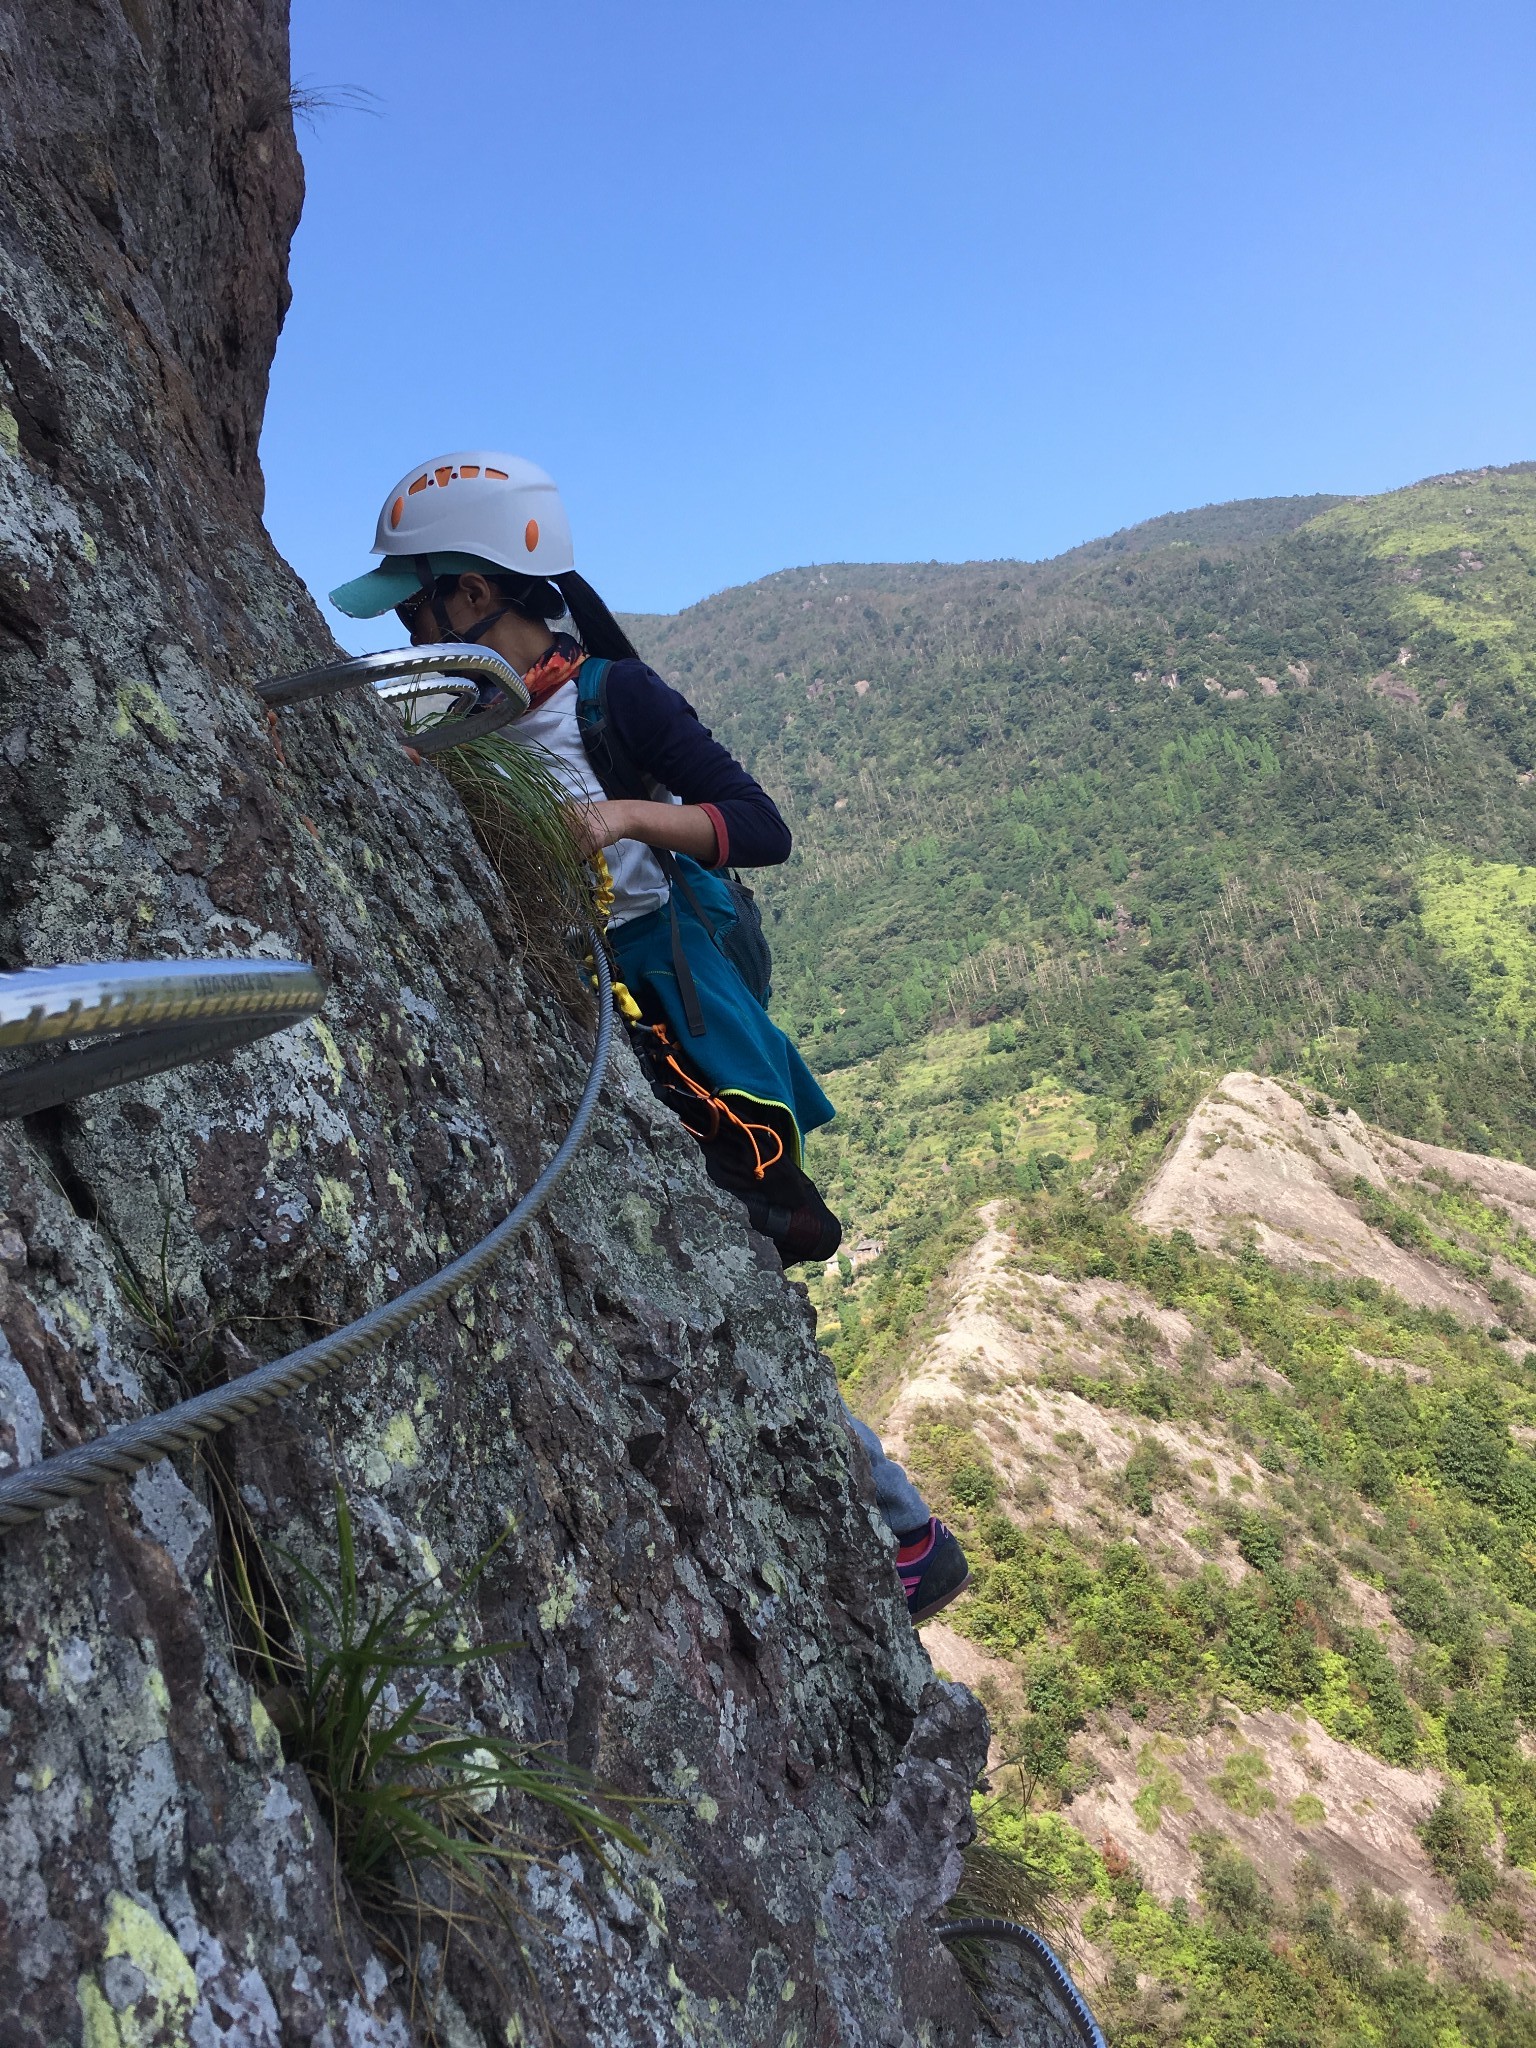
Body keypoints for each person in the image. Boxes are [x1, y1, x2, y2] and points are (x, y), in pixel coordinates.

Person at [331, 451, 968, 1624]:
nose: (409, 631)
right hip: (584, 1014)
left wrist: (623, 813)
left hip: (677, 1032)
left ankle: (902, 1528)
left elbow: (759, 826)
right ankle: (893, 1519)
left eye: (421, 602)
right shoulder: (453, 715)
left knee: (735, 1266)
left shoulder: (614, 702)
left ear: (478, 593)